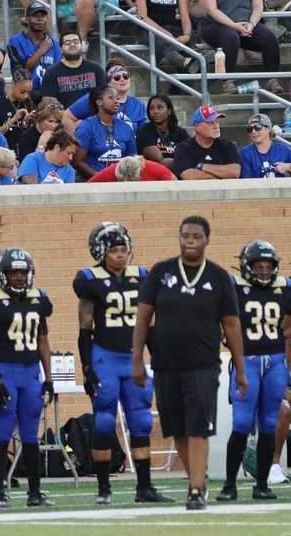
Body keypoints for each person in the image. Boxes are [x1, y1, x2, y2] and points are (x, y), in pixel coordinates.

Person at [132, 216, 245, 509]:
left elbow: (232, 325)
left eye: (196, 236)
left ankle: (195, 489)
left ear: (207, 240)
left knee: (198, 427)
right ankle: (198, 479)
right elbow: (143, 319)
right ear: (179, 238)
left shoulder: (219, 277)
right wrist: (137, 359)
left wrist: (240, 368)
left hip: (203, 365)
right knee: (178, 429)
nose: (190, 241)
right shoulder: (160, 272)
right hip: (165, 364)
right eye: (185, 236)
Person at [73, 224, 172, 505]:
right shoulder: (90, 280)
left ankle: (144, 488)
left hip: (133, 358)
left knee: (141, 420)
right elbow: (85, 327)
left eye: (123, 250)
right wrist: (87, 367)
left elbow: (149, 324)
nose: (120, 255)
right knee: (104, 422)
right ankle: (104, 489)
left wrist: (158, 359)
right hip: (105, 357)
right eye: (114, 250)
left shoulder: (142, 276)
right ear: (101, 253)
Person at [0, 248, 55, 509]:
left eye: (22, 272)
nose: (19, 277)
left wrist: (49, 377)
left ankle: (35, 493)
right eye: (13, 272)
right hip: (5, 372)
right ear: (3, 274)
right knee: (2, 433)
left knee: (31, 435)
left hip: (31, 373)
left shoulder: (39, 299)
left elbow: (43, 341)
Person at [218, 240, 289, 502]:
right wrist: (224, 339)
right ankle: (229, 485)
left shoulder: (285, 288)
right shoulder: (233, 286)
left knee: (269, 423)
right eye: (258, 266)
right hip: (246, 361)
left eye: (268, 266)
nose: (263, 271)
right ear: (247, 266)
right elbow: (214, 318)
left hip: (275, 362)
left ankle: (262, 485)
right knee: (242, 422)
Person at [199, 0, 281, 93]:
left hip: (246, 24)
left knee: (269, 37)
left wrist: (252, 24)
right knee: (230, 36)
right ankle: (227, 81)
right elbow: (212, 9)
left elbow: (257, 5)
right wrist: (234, 25)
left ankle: (272, 79)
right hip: (216, 26)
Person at [73, 86, 138, 179]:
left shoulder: (126, 127)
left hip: (120, 181)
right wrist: (101, 178)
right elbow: (77, 161)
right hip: (92, 180)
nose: (116, 101)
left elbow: (132, 159)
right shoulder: (86, 126)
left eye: (117, 98)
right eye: (111, 97)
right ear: (99, 102)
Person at [37, 30, 106, 107]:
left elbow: (104, 96)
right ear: (60, 49)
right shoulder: (51, 73)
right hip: (64, 114)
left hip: (93, 114)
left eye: (76, 42)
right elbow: (48, 102)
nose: (72, 45)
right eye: (67, 43)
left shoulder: (96, 69)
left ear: (81, 46)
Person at [173, 103, 241, 181]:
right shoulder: (183, 148)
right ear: (197, 127)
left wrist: (203, 166)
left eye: (217, 122)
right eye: (211, 123)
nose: (216, 126)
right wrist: (222, 175)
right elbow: (189, 176)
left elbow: (235, 172)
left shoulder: (228, 145)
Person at [135, 94, 186, 172]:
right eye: (151, 108)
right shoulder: (144, 132)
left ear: (169, 111)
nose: (155, 112)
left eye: (160, 108)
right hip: (154, 174)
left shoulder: (181, 133)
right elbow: (162, 162)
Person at [240, 113, 291, 179]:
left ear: (269, 129)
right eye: (250, 129)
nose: (253, 131)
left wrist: (288, 167)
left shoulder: (283, 150)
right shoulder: (246, 153)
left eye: (258, 127)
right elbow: (246, 181)